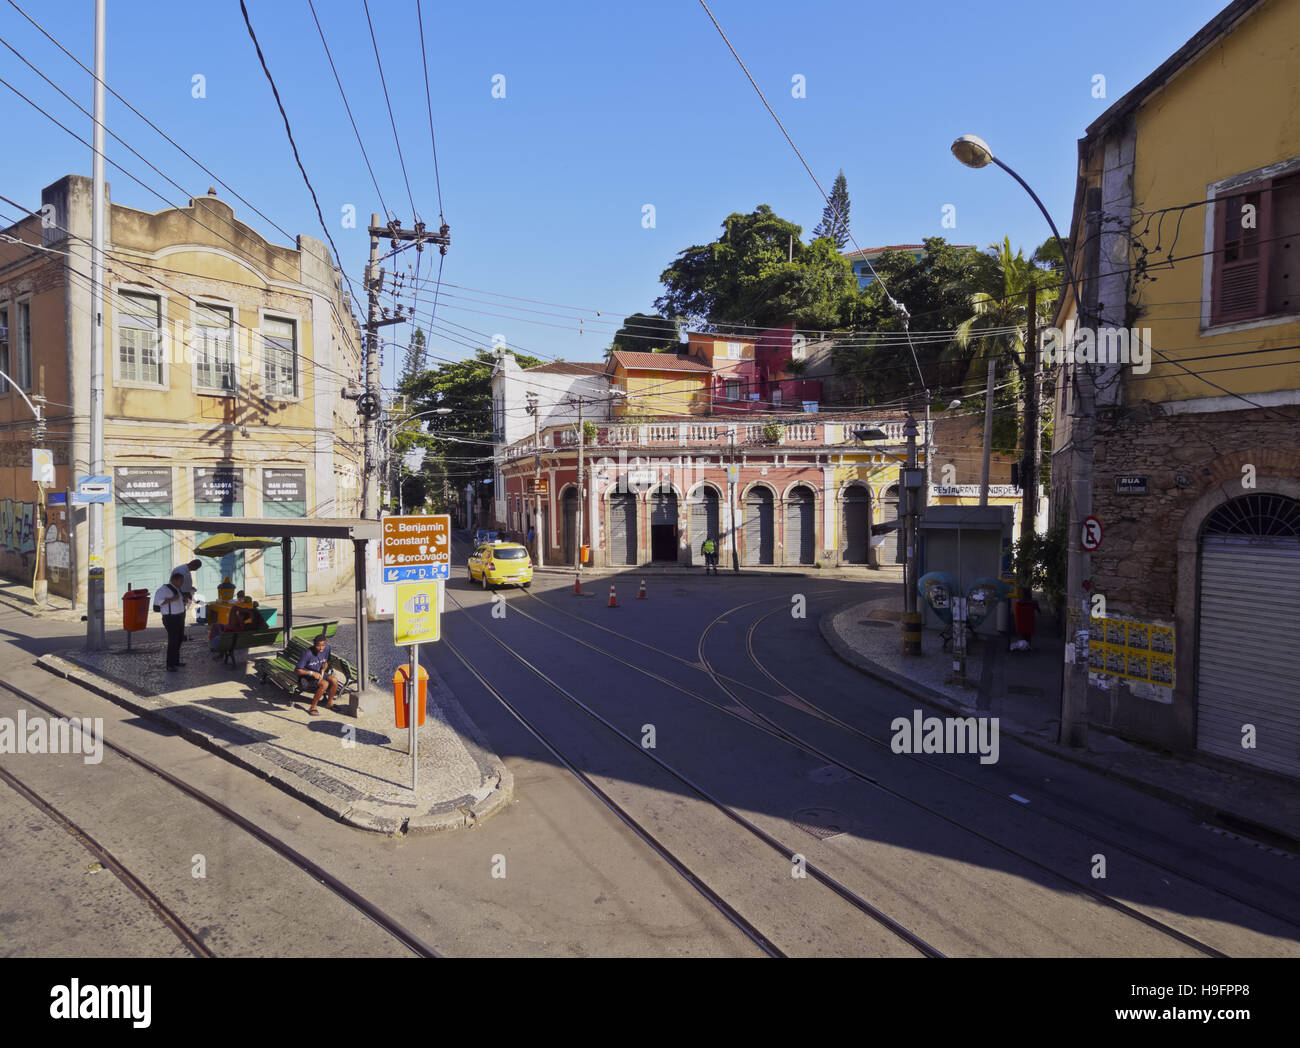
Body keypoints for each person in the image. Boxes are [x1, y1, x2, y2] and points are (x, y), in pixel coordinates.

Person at [295, 635, 339, 715]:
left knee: (334, 680)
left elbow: (326, 661)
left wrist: (324, 668)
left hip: (319, 673)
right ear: (314, 644)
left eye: (323, 645)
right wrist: (311, 673)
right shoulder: (307, 653)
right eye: (318, 646)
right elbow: (297, 670)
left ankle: (329, 703)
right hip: (306, 677)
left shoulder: (327, 649)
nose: (321, 648)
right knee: (324, 684)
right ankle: (313, 707)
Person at [153, 571, 188, 671]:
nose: (182, 583)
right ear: (174, 580)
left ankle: (176, 661)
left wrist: (183, 599)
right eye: (181, 581)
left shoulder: (178, 588)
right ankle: (170, 665)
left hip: (180, 616)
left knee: (179, 639)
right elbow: (158, 602)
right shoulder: (163, 590)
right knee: (173, 641)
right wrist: (173, 599)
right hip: (170, 618)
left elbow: (178, 600)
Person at [171, 558, 202, 641]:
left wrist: (190, 588)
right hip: (179, 597)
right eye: (197, 568)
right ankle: (178, 636)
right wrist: (188, 595)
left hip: (181, 597)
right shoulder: (183, 571)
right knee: (179, 618)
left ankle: (180, 635)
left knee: (180, 617)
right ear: (194, 565)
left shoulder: (185, 569)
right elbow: (180, 586)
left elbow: (183, 584)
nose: (196, 570)